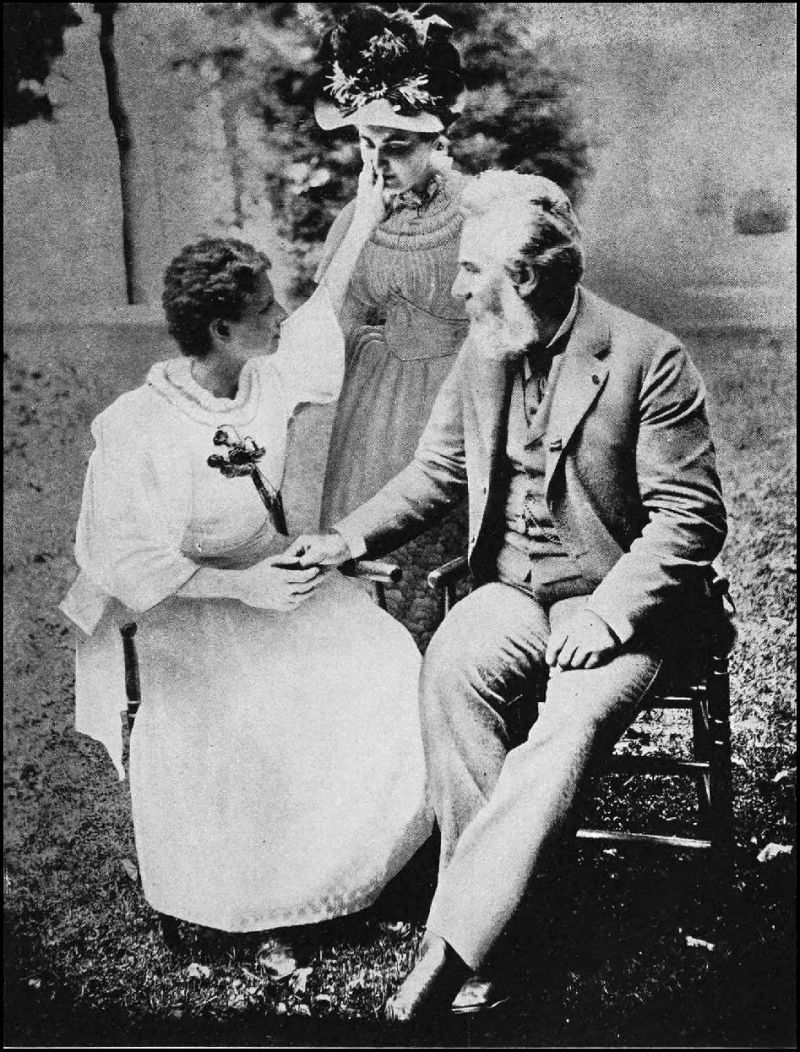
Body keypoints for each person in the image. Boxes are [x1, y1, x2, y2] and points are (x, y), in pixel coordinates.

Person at [287, 170, 729, 1021]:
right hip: (512, 589)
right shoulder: (484, 345)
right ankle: (507, 932)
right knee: (452, 667)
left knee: (569, 720)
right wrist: (347, 536)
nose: (455, 290)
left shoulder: (648, 358)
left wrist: (607, 614)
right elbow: (439, 471)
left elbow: (690, 518)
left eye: (467, 272)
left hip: (613, 599)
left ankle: (452, 948)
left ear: (523, 277)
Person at [59, 164, 431, 971]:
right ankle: (265, 903)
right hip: (189, 610)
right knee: (255, 711)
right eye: (263, 309)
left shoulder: (267, 378)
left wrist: (366, 205)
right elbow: (128, 561)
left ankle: (366, 868)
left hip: (275, 582)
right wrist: (243, 587)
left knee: (383, 664)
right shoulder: (141, 428)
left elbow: (325, 306)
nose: (280, 316)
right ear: (222, 329)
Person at [312, 5, 471, 646]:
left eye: (397, 146)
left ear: (438, 139)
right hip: (373, 401)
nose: (379, 164)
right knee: (365, 563)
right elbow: (328, 326)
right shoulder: (356, 219)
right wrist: (363, 224)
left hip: (457, 399)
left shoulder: (479, 211)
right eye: (366, 144)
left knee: (443, 568)